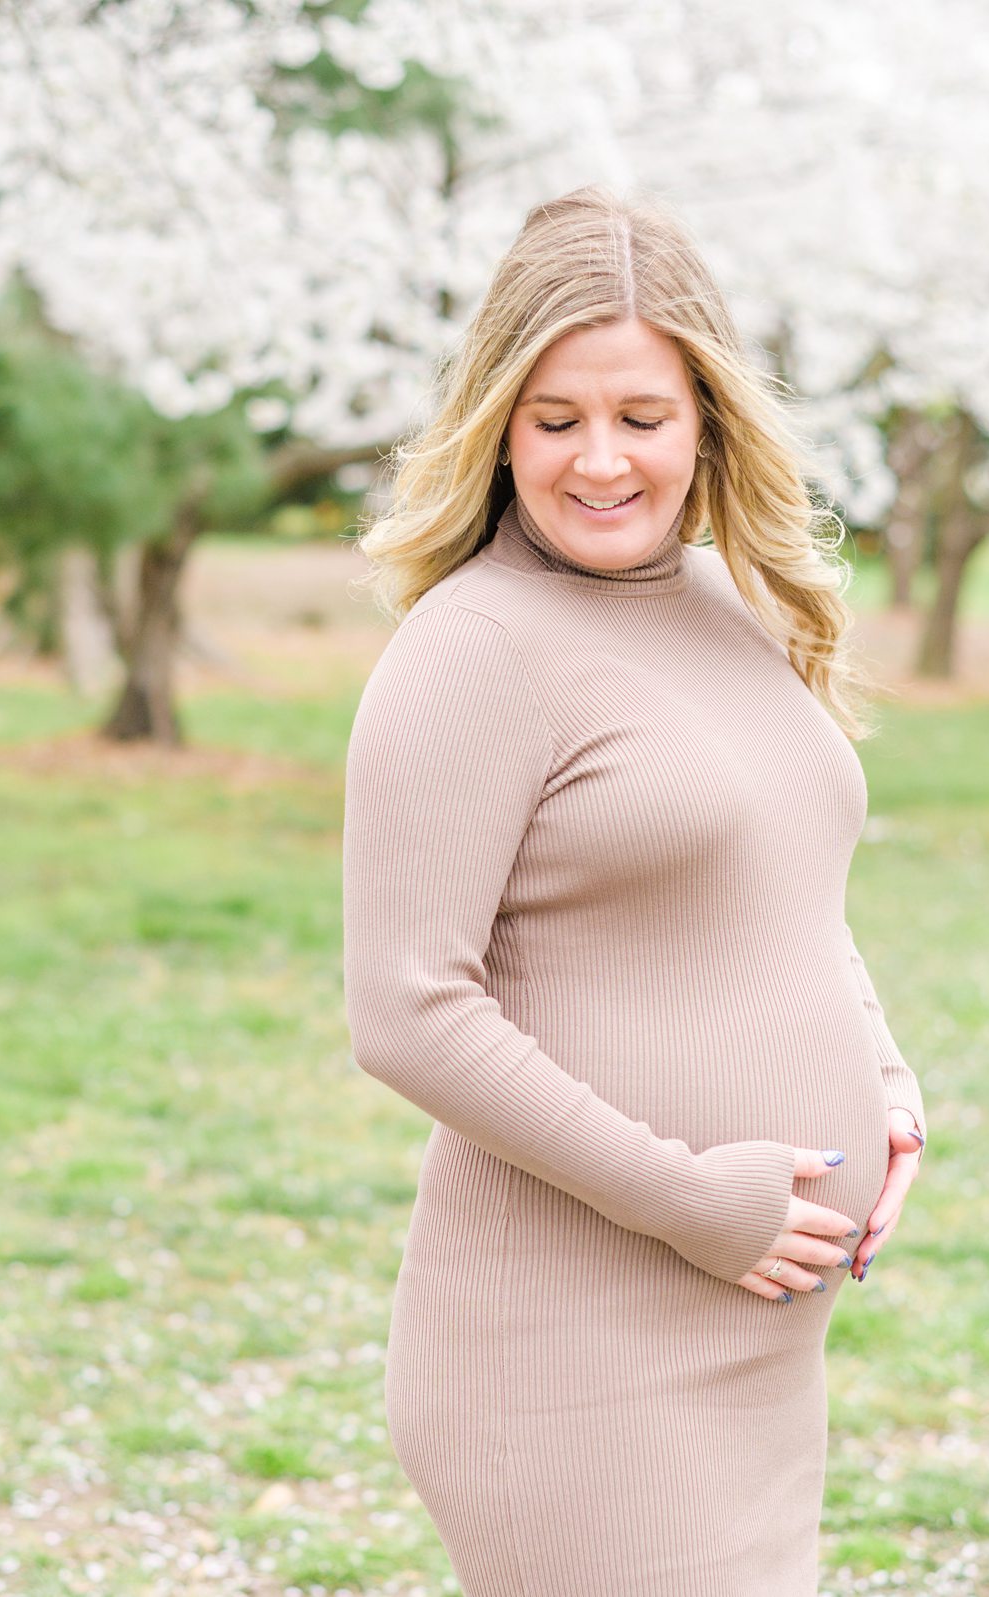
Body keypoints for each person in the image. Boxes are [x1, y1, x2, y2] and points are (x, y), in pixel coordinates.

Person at [340, 185, 930, 1596]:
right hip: (572, 1346)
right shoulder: (471, 650)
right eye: (556, 420)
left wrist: (885, 1078)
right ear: (498, 426)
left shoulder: (731, 604)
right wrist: (684, 1198)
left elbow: (788, 889)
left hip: (752, 1331)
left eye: (642, 417)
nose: (600, 461)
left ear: (709, 422)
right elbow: (408, 1011)